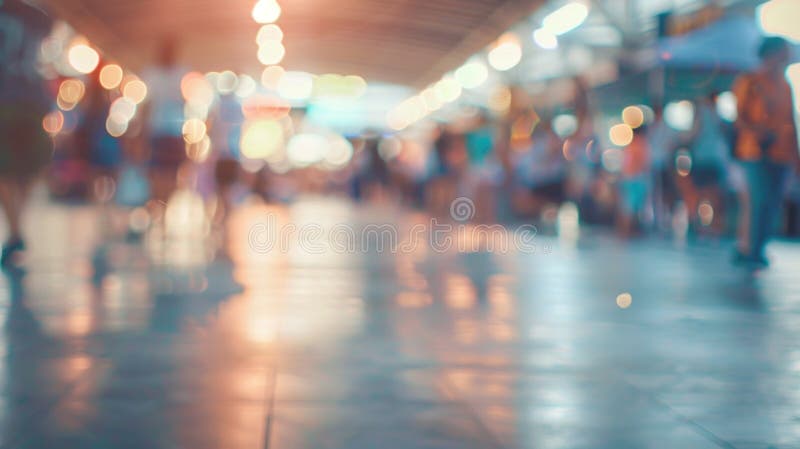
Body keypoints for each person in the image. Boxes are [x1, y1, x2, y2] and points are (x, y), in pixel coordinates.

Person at [732, 37, 799, 267]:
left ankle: (758, 248)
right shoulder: (749, 81)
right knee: (759, 200)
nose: (787, 56)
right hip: (755, 151)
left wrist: (796, 158)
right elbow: (740, 117)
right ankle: (750, 250)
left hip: (781, 154)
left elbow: (790, 123)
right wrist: (759, 132)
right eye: (783, 52)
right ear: (771, 54)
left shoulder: (785, 85)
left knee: (772, 202)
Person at [0, 0, 52, 266]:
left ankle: (15, 229)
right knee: (30, 168)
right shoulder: (38, 16)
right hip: (34, 99)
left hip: (5, 99)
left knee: (5, 169)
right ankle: (16, 227)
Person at [140, 37, 188, 204]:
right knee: (157, 173)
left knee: (170, 174)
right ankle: (158, 208)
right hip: (159, 130)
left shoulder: (181, 73)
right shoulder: (152, 73)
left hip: (171, 131)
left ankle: (163, 208)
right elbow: (147, 105)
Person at [687, 93, 730, 235]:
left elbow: (694, 133)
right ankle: (716, 226)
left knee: (699, 193)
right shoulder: (719, 116)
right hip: (717, 158)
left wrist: (683, 142)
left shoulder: (701, 112)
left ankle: (696, 225)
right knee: (715, 194)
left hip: (701, 157)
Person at [617, 127, 651, 237]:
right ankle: (628, 232)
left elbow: (624, 164)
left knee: (627, 206)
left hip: (627, 179)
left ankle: (625, 231)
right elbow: (644, 163)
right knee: (633, 207)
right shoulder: (641, 145)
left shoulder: (629, 145)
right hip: (636, 179)